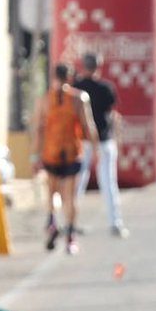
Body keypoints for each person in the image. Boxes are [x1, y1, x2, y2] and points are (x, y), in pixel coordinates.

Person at [32, 63, 98, 254]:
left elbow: (37, 129)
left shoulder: (44, 100)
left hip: (50, 152)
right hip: (71, 152)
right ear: (70, 78)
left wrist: (34, 156)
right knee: (70, 196)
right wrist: (95, 149)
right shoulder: (79, 98)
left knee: (51, 192)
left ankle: (52, 220)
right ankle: (70, 236)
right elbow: (89, 126)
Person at [74, 53, 129, 237]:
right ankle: (115, 222)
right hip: (104, 139)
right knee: (109, 182)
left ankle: (71, 221)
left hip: (83, 140)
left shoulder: (77, 88)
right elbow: (113, 114)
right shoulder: (106, 88)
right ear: (99, 66)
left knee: (78, 181)